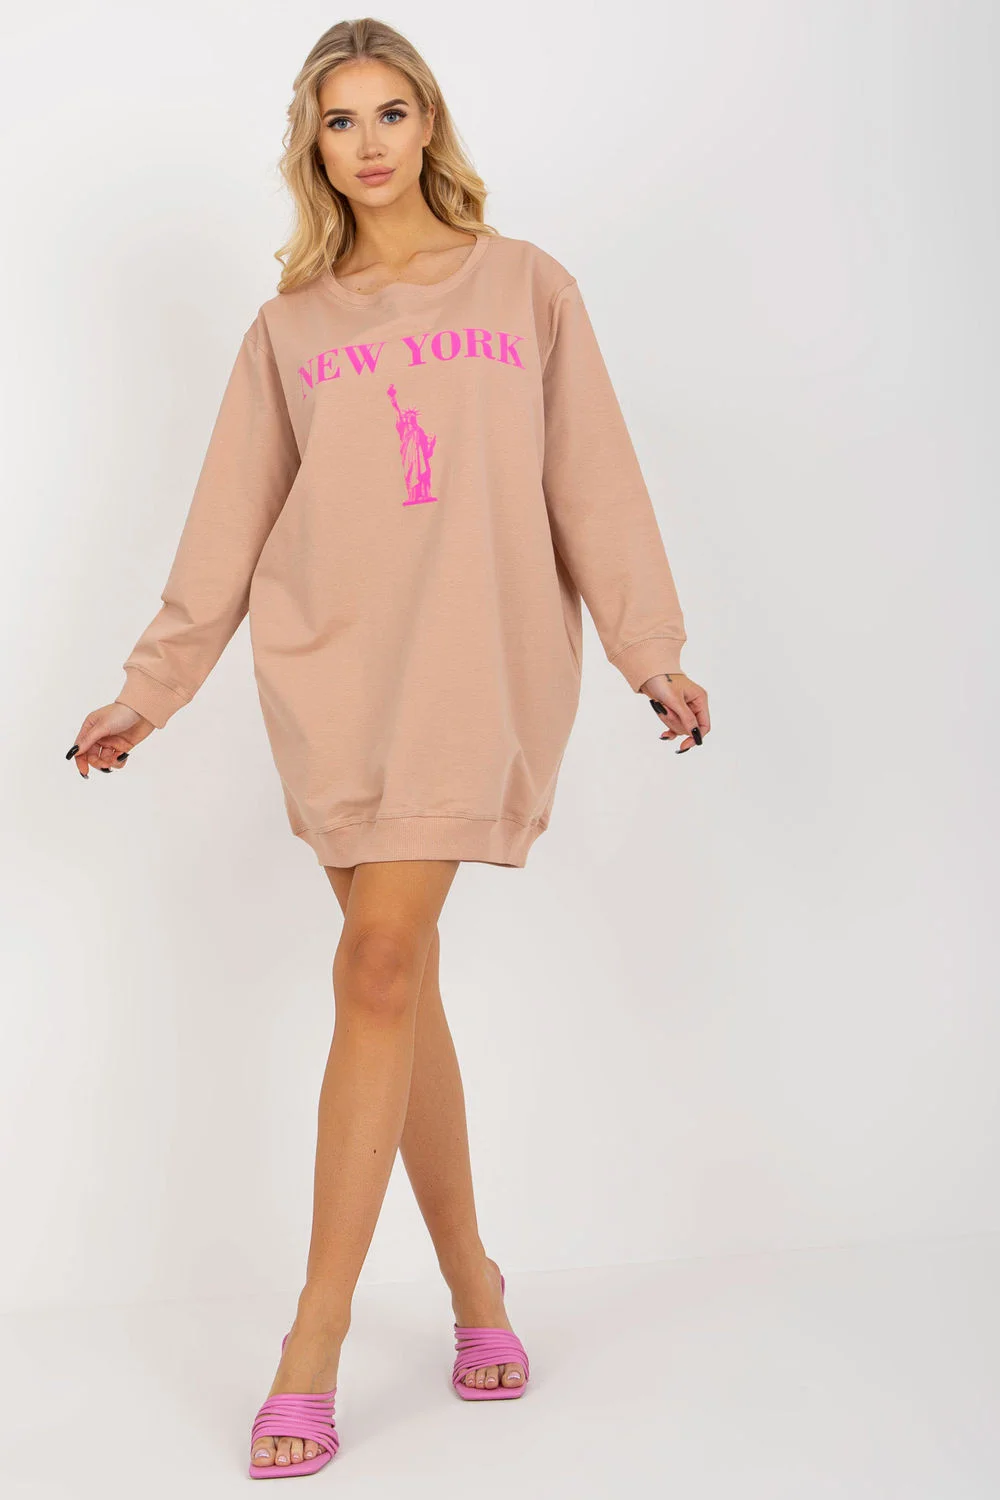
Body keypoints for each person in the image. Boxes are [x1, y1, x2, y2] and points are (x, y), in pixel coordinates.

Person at [65, 16, 711, 1478]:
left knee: (374, 964)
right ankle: (477, 1284)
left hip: (478, 666)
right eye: (340, 120)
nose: (367, 143)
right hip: (335, 672)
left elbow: (594, 479)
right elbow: (229, 522)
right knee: (392, 977)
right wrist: (149, 691)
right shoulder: (289, 327)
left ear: (430, 125)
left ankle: (314, 1340)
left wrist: (650, 649)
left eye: (391, 113)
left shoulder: (527, 285)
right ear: (314, 143)